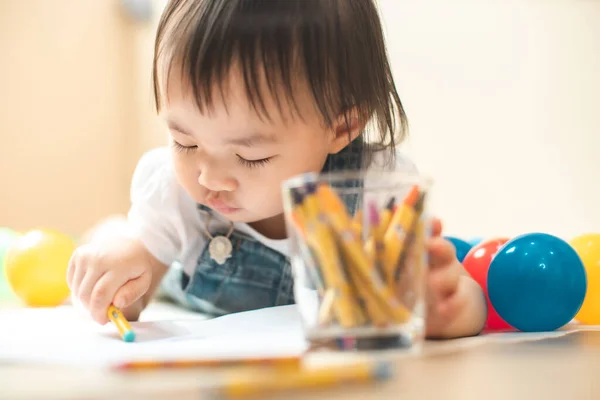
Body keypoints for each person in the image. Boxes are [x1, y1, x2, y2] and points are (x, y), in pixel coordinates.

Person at [67, 0, 486, 339]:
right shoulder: (175, 192)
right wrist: (121, 276)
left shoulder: (377, 191)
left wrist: (448, 305)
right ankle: (107, 233)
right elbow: (134, 300)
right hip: (186, 284)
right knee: (124, 244)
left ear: (341, 126)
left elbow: (465, 304)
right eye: (185, 142)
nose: (208, 178)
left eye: (250, 157)